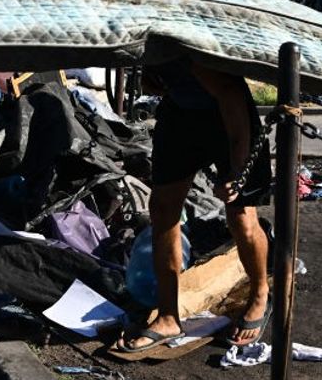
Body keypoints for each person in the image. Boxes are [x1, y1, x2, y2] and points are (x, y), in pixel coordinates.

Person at [115, 59, 272, 353]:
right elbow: (154, 81)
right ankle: (167, 316)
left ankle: (261, 292)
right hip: (180, 114)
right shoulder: (142, 35)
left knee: (240, 215)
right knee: (162, 209)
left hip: (228, 114)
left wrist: (239, 172)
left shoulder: (185, 44)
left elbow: (230, 94)